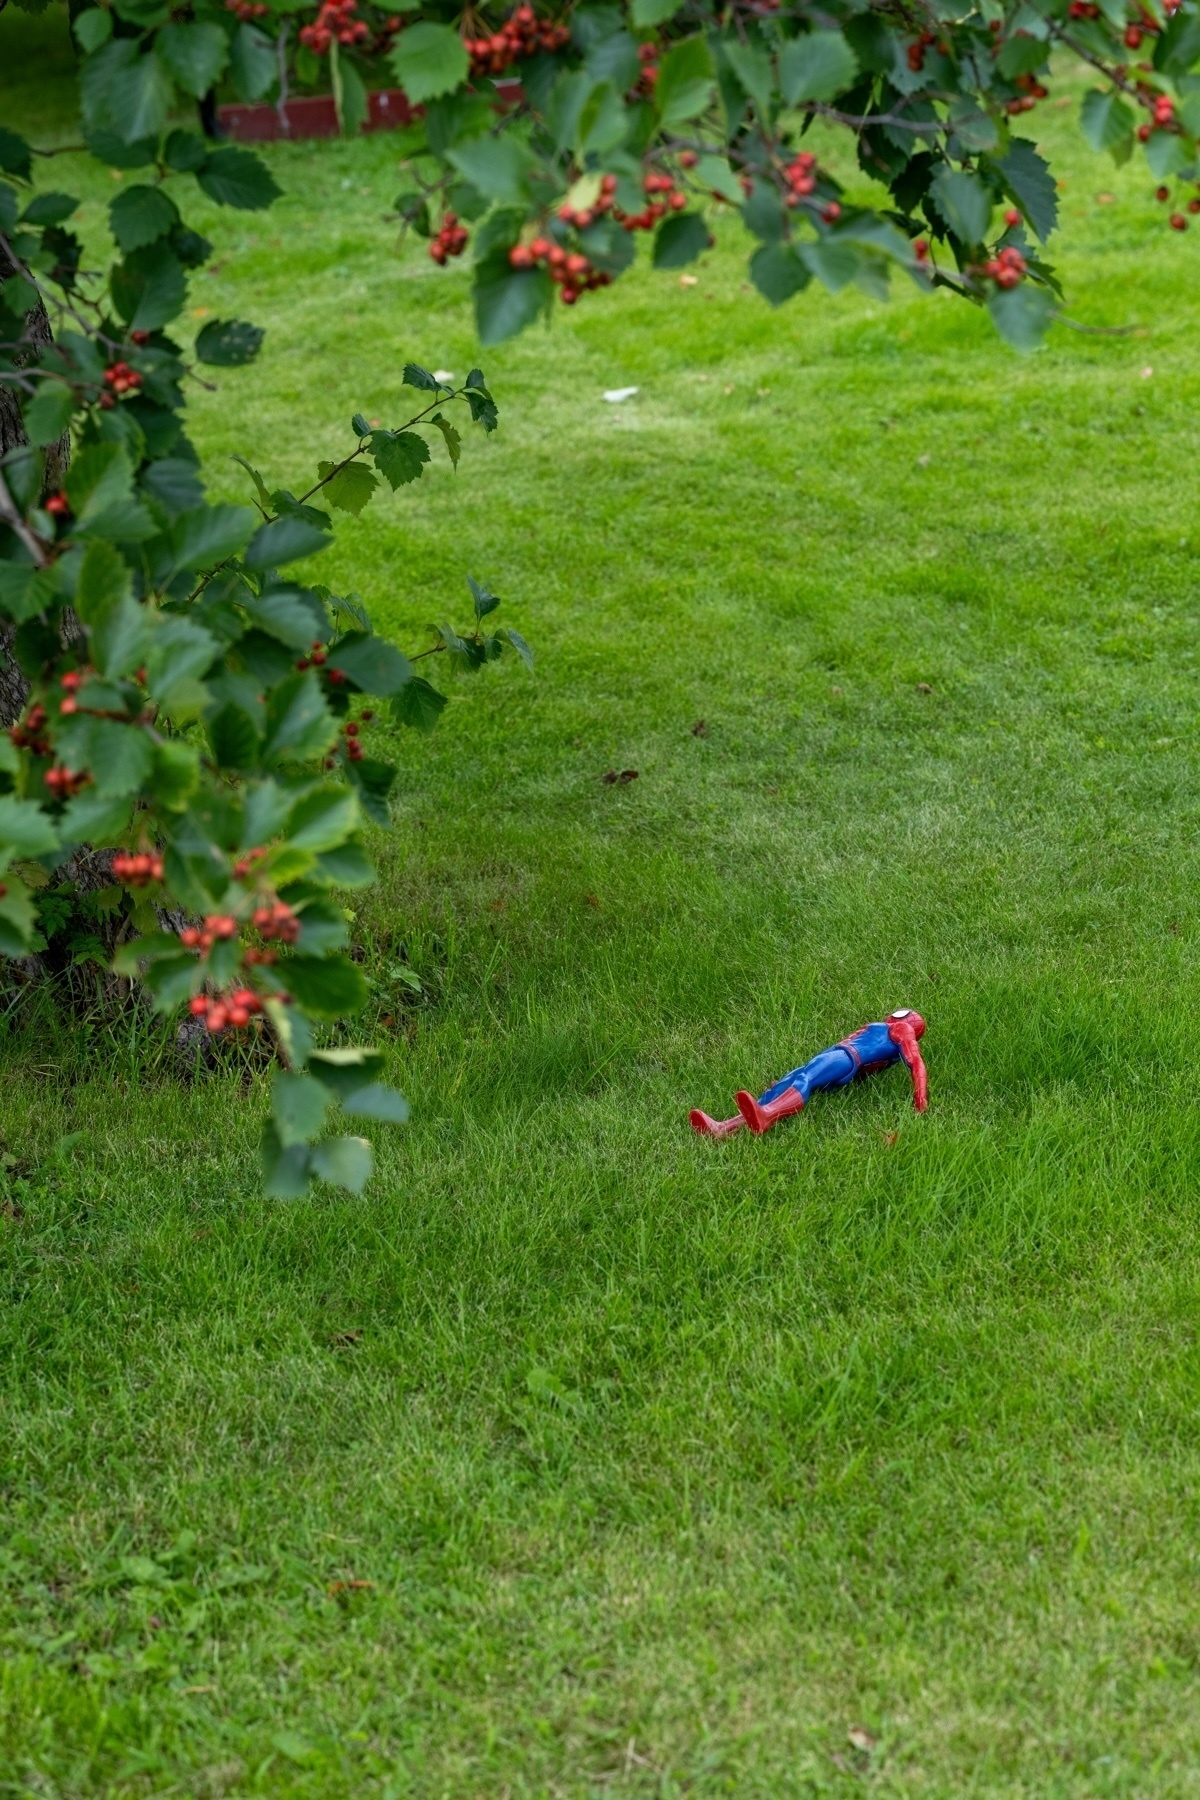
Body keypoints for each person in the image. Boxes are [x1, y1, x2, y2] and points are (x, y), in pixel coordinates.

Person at [689, 1009, 928, 1139]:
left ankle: (768, 1115)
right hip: (841, 1060)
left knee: (806, 1079)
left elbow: (916, 1062)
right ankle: (723, 1128)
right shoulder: (889, 1051)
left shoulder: (901, 1028)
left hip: (845, 1056)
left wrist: (921, 1100)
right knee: (785, 1084)